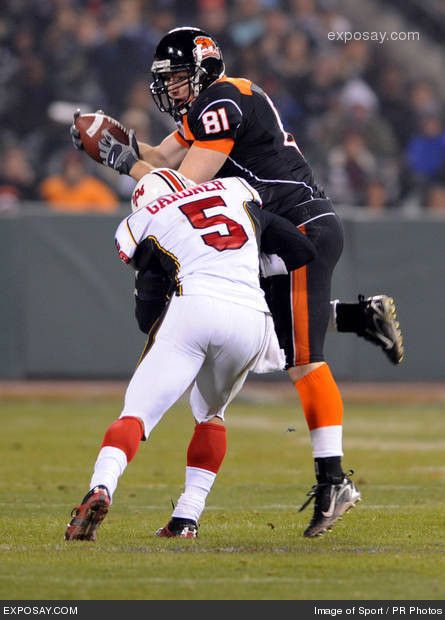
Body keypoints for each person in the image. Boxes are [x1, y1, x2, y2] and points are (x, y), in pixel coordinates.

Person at [70, 27, 401, 536]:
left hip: (293, 227)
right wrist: (125, 149)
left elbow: (186, 185)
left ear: (202, 70)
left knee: (302, 359)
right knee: (267, 325)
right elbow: (161, 160)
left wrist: (124, 163)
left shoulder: (220, 101)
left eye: (179, 78)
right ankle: (356, 315)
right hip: (267, 229)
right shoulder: (214, 103)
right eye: (167, 80)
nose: (172, 89)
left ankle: (334, 479)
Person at [65, 168, 318, 541]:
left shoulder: (147, 220)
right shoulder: (234, 192)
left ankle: (101, 487)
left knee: (137, 413)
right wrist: (250, 266)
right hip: (250, 314)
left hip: (195, 304)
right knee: (211, 414)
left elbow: (146, 319)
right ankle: (186, 517)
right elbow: (302, 251)